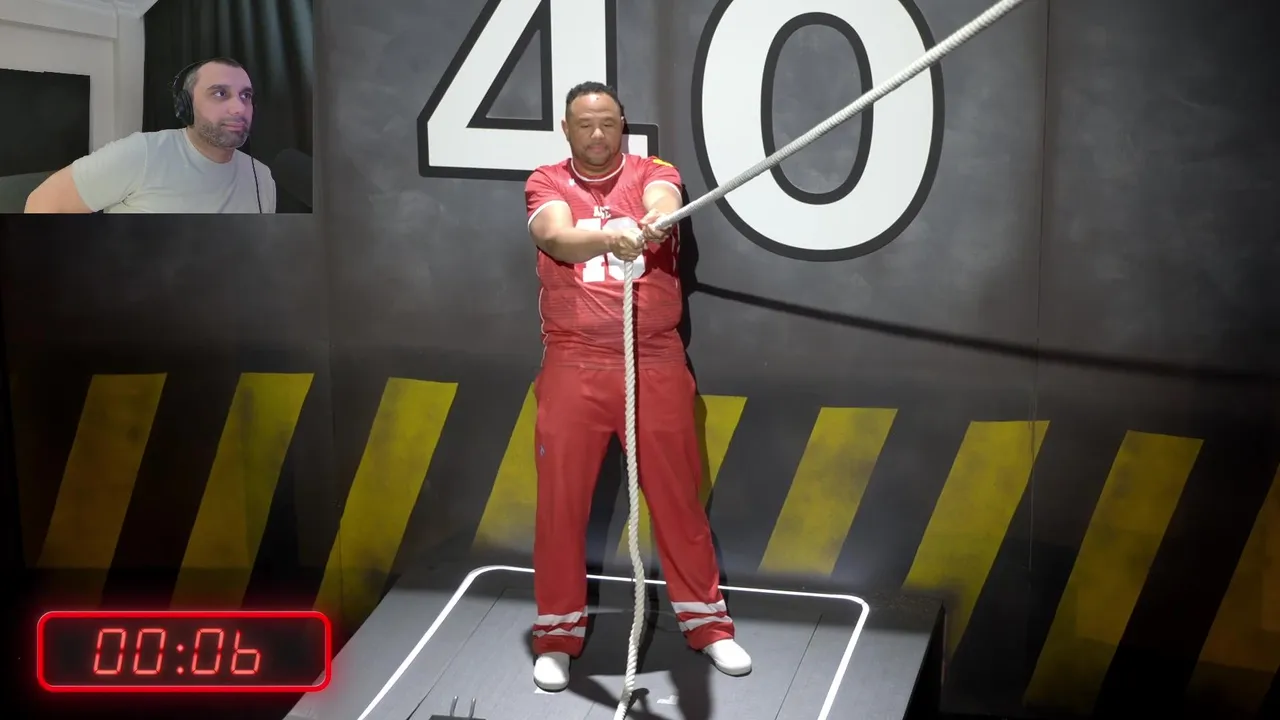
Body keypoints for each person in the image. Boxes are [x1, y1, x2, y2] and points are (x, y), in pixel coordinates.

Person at [523, 81, 752, 692]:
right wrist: (609, 236)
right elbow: (554, 235)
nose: (598, 135)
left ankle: (708, 625)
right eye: (585, 125)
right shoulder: (547, 181)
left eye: (608, 123)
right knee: (561, 506)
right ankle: (557, 635)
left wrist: (649, 221)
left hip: (654, 360)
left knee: (678, 499)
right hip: (575, 362)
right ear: (566, 129)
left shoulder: (655, 171)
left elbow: (662, 198)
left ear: (623, 125)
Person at [24, 57, 275, 214]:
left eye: (246, 96)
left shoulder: (261, 177)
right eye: (220, 93)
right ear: (185, 106)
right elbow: (43, 204)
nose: (239, 108)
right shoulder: (141, 154)